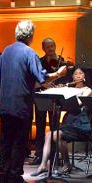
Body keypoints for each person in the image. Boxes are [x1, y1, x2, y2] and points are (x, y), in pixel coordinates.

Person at [0, 20, 46, 183]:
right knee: (19, 142)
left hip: (4, 104)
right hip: (21, 105)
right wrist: (59, 73)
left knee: (5, 142)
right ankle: (15, 177)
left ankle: (4, 176)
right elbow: (42, 78)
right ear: (30, 35)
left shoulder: (6, 52)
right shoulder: (29, 53)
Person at [32, 67, 92, 177]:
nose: (78, 76)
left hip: (81, 125)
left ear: (84, 76)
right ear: (72, 77)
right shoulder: (69, 89)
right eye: (75, 74)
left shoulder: (87, 90)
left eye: (81, 73)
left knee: (56, 134)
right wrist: (58, 91)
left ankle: (67, 163)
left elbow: (77, 103)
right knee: (49, 134)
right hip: (69, 123)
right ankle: (43, 165)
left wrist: (65, 91)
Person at [32, 37, 68, 165]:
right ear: (43, 48)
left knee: (54, 127)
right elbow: (36, 77)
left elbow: (64, 80)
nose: (51, 49)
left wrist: (59, 84)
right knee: (40, 126)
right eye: (48, 47)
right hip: (41, 96)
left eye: (52, 46)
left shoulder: (61, 62)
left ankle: (54, 155)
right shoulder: (39, 62)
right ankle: (39, 154)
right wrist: (43, 84)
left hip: (55, 98)